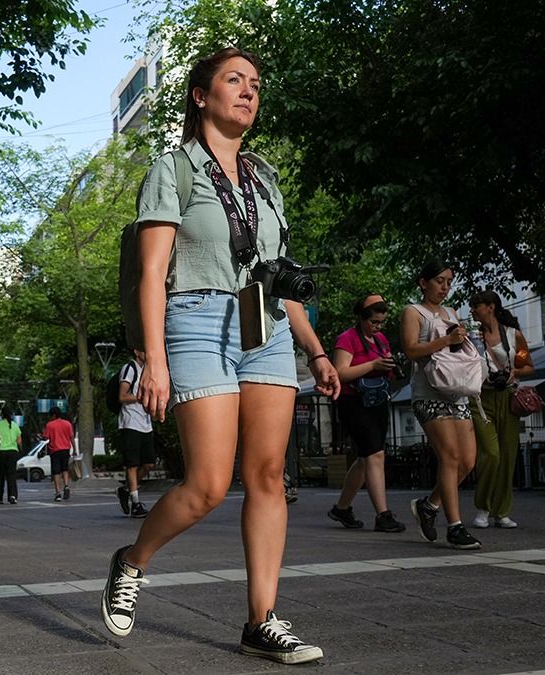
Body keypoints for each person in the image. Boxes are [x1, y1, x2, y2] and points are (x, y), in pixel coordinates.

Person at [100, 48, 340, 665]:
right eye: (234, 81)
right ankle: (132, 561)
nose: (248, 92)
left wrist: (315, 351)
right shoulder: (173, 169)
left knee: (267, 478)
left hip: (265, 326)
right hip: (196, 319)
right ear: (201, 96)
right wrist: (154, 359)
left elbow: (277, 279)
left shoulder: (264, 178)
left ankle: (262, 619)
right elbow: (153, 274)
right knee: (207, 483)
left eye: (256, 84)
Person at [401, 260, 482, 550]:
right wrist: (446, 339)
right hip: (428, 393)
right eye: (439, 280)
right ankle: (455, 527)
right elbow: (411, 350)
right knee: (449, 457)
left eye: (448, 281)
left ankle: (429, 504)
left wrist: (460, 340)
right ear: (423, 282)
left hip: (456, 391)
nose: (445, 287)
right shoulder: (413, 312)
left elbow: (455, 351)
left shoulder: (451, 313)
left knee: (468, 461)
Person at [327, 295, 406, 533]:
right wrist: (373, 366)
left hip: (377, 401)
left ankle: (341, 508)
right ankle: (383, 515)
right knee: (374, 456)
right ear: (361, 318)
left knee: (365, 459)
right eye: (373, 321)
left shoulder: (380, 340)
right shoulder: (348, 338)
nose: (378, 326)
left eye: (381, 322)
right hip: (354, 402)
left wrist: (389, 367)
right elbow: (339, 373)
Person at [469, 290, 536, 529]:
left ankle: (502, 511)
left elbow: (528, 366)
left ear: (491, 307)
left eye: (477, 305)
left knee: (507, 455)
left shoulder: (513, 335)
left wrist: (514, 373)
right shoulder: (471, 337)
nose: (473, 310)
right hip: (480, 398)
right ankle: (483, 507)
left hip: (507, 398)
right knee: (491, 453)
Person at [115, 350, 154, 518]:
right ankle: (135, 503)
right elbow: (122, 396)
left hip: (146, 422)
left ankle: (125, 489)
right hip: (130, 422)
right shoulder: (129, 368)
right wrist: (141, 397)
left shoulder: (148, 370)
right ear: (137, 352)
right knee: (132, 464)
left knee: (149, 463)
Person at [0, 406, 22, 504]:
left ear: (1, 414)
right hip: (12, 452)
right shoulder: (15, 425)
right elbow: (19, 440)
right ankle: (12, 495)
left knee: (0, 475)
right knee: (11, 475)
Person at [42, 406, 76, 502]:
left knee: (56, 472)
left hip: (55, 450)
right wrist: (75, 449)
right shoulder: (67, 424)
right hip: (66, 449)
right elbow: (71, 438)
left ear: (53, 415)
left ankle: (58, 493)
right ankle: (66, 486)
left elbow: (46, 438)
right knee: (65, 469)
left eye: (50, 415)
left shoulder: (50, 425)